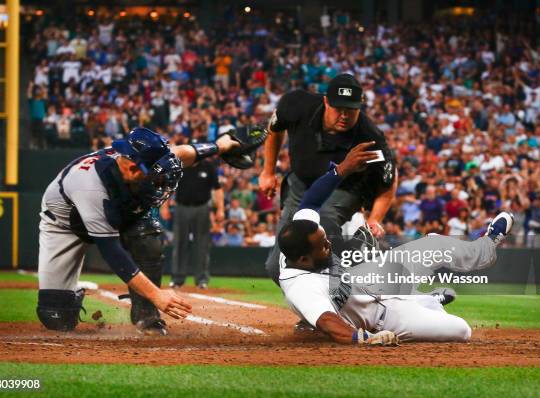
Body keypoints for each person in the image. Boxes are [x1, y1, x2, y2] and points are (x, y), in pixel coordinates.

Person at [276, 145, 515, 344]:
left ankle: (485, 245)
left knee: (435, 246)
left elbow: (311, 200)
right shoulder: (300, 286)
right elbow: (330, 323)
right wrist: (365, 338)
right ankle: (425, 301)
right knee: (461, 330)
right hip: (382, 317)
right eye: (323, 246)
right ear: (304, 260)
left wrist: (340, 171)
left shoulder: (303, 233)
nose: (328, 243)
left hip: (369, 279)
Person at [37, 127, 242, 335]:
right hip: (65, 226)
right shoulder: (89, 185)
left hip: (116, 211)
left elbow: (184, 152)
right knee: (55, 317)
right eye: (154, 178)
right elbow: (113, 253)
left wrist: (221, 146)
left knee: (146, 235)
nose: (159, 185)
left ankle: (147, 318)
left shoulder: (146, 161)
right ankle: (69, 295)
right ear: (133, 169)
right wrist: (156, 294)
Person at [259, 73, 397, 284]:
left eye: (350, 110)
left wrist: (375, 218)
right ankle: (317, 303)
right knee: (276, 266)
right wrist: (268, 171)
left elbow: (388, 179)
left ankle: (344, 283)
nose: (344, 115)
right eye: (338, 108)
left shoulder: (370, 138)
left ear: (359, 107)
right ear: (325, 101)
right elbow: (274, 129)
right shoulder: (297, 104)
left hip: (343, 190)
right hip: (300, 185)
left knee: (323, 223)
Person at [170, 156, 223, 289]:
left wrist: (220, 209)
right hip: (181, 207)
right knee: (179, 243)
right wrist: (165, 207)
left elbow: (217, 188)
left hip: (202, 208)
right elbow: (169, 186)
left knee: (202, 244)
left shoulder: (208, 167)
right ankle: (177, 279)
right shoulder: (180, 167)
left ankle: (201, 279)